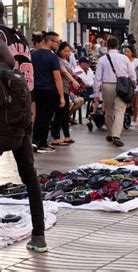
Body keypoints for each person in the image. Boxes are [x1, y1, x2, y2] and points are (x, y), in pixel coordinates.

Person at [0, 4, 47, 251]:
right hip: (22, 110)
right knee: (29, 175)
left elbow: (6, 60)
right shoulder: (20, 37)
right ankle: (39, 235)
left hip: (2, 114)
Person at [93, 37, 137, 147]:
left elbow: (97, 78)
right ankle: (116, 136)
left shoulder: (102, 59)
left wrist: (96, 93)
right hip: (122, 86)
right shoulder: (124, 58)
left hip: (107, 86)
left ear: (107, 46)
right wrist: (133, 86)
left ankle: (110, 133)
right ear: (118, 46)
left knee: (108, 112)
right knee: (120, 112)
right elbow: (132, 74)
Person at [32, 31, 65, 153]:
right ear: (50, 41)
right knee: (46, 118)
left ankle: (35, 141)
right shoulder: (52, 57)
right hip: (49, 90)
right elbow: (57, 78)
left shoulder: (33, 55)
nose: (58, 45)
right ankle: (43, 144)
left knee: (38, 116)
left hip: (36, 89)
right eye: (57, 42)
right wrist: (61, 96)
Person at [51, 42, 80, 146]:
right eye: (65, 51)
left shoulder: (65, 60)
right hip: (60, 90)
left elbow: (70, 72)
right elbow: (64, 72)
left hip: (66, 89)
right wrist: (73, 80)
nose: (67, 53)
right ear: (59, 51)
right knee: (60, 114)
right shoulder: (57, 60)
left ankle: (67, 136)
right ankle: (56, 138)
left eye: (68, 51)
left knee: (65, 114)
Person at [123, 46, 138, 123]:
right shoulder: (122, 60)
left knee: (134, 101)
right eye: (125, 51)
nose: (126, 53)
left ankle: (134, 119)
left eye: (128, 51)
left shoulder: (136, 61)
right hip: (124, 83)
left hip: (134, 83)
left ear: (132, 53)